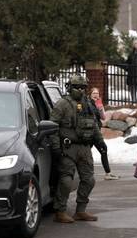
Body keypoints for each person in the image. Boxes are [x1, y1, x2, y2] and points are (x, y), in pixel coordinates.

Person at [50, 75, 102, 223]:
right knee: (66, 180)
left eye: (83, 88)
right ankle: (60, 211)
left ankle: (81, 210)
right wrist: (56, 147)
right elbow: (52, 126)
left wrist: (100, 143)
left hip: (84, 147)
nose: (80, 90)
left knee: (89, 179)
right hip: (68, 147)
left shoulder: (88, 104)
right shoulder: (62, 104)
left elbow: (94, 125)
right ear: (69, 88)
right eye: (76, 87)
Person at [89, 88, 119, 180]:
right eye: (94, 93)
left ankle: (108, 173)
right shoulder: (87, 104)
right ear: (90, 94)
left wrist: (101, 109)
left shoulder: (98, 104)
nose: (95, 95)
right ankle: (106, 173)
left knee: (102, 150)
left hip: (96, 131)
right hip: (90, 132)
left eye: (97, 93)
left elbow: (103, 118)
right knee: (88, 152)